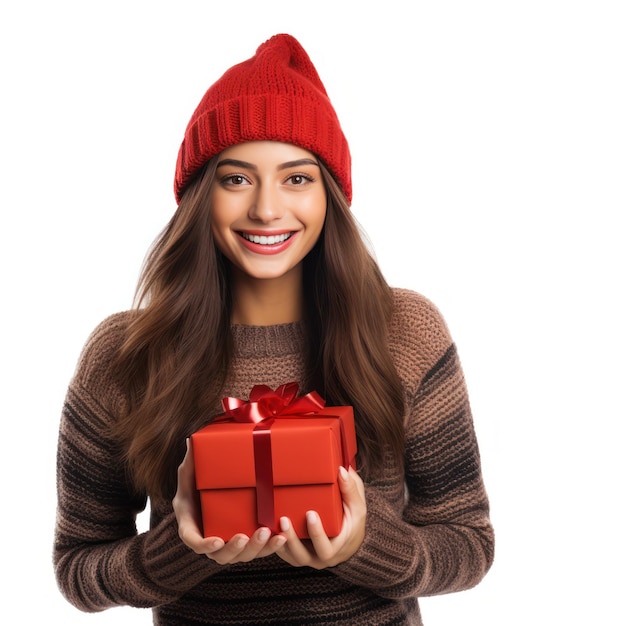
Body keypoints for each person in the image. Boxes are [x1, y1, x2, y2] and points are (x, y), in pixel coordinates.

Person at [54, 33, 494, 625]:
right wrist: (179, 552)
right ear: (198, 197)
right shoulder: (123, 356)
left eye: (296, 178)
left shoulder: (405, 331)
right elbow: (78, 570)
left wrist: (364, 546)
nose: (266, 209)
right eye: (236, 180)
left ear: (329, 195)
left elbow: (469, 544)